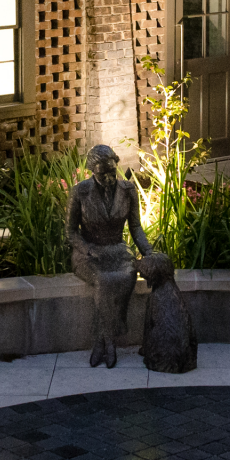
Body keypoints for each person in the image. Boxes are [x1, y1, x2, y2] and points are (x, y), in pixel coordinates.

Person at [65, 144, 155, 368]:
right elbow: (70, 232)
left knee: (127, 275)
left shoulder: (128, 190)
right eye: (102, 173)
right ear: (92, 171)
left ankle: (101, 340)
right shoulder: (80, 192)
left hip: (117, 249)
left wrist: (150, 252)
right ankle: (110, 343)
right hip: (89, 253)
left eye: (112, 172)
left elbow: (135, 227)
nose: (109, 178)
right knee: (104, 281)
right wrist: (87, 249)